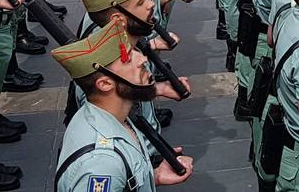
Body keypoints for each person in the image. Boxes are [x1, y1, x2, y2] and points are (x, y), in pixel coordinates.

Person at [50, 18, 194, 192]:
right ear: (104, 84)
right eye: (127, 58)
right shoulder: (102, 164)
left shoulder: (113, 115)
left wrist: (153, 176)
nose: (142, 59)